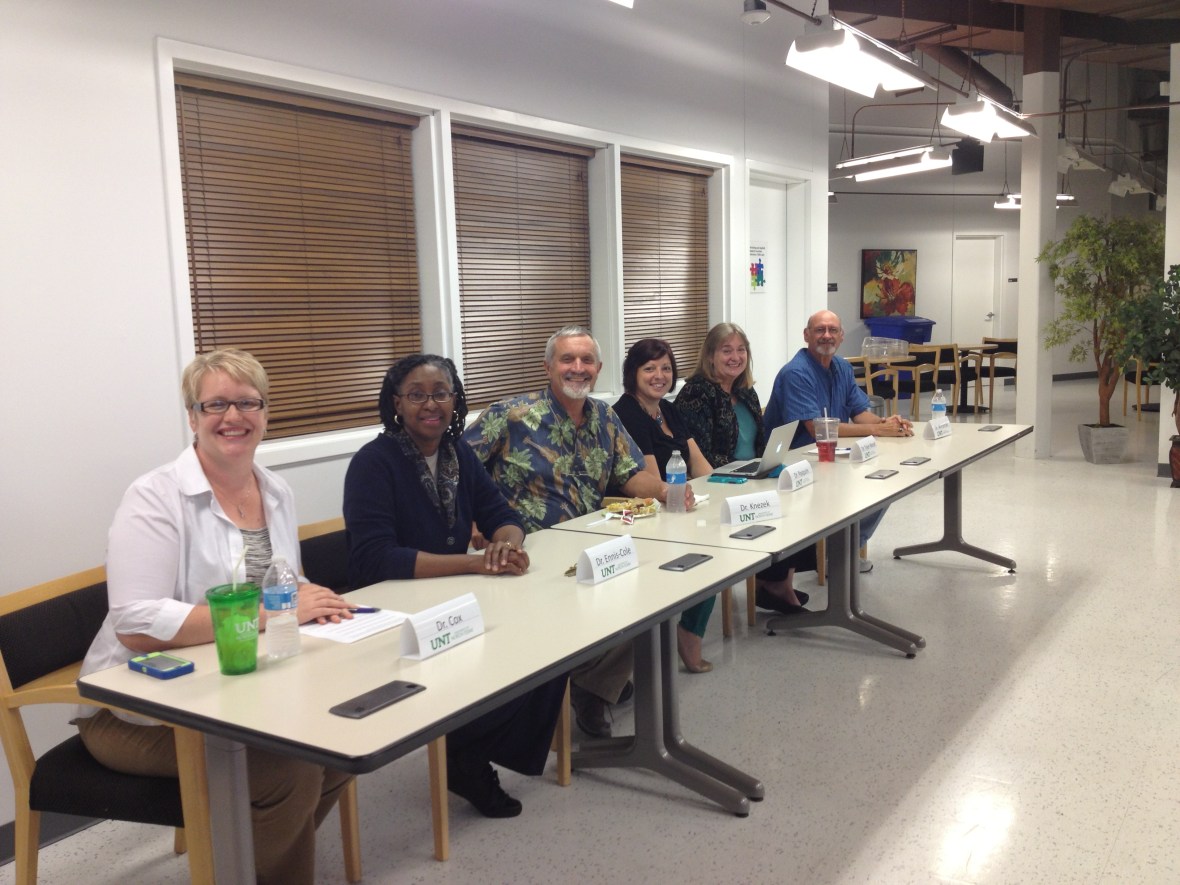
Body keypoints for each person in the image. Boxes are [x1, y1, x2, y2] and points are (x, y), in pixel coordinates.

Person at [75, 349, 355, 885]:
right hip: (134, 713)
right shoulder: (155, 497)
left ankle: (244, 866)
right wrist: (276, 613)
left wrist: (314, 599)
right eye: (216, 405)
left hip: (240, 687)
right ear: (192, 416)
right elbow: (136, 623)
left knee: (340, 748)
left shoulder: (274, 490)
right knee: (289, 771)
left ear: (265, 413)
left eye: (248, 403)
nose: (234, 417)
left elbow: (281, 583)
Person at [343, 354, 567, 818]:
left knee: (553, 647)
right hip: (394, 611)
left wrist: (505, 545)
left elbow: (503, 516)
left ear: (455, 400)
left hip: (455, 596)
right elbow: (375, 559)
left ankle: (465, 747)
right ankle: (464, 752)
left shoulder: (458, 453)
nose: (431, 404)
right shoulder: (374, 463)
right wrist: (471, 564)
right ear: (396, 403)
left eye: (441, 393)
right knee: (512, 653)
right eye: (417, 394)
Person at [464, 325, 690, 739]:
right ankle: (592, 683)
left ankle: (592, 684)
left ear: (599, 369)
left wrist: (666, 491)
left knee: (657, 590)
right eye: (567, 359)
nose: (577, 368)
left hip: (591, 543)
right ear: (548, 366)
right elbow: (460, 471)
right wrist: (476, 522)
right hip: (529, 554)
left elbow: (630, 474)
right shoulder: (509, 415)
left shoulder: (605, 416)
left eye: (586, 361)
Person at [676, 322, 815, 614]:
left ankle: (778, 581)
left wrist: (764, 466)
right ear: (710, 355)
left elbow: (761, 444)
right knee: (783, 510)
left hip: (750, 477)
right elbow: (699, 454)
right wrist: (747, 472)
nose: (735, 357)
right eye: (726, 350)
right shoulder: (697, 393)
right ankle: (771, 584)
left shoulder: (746, 392)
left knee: (805, 502)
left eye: (741, 350)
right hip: (717, 485)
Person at [763, 309, 914, 572]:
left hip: (834, 458)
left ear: (842, 336)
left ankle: (844, 550)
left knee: (886, 483)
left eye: (833, 330)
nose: (826, 336)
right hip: (796, 464)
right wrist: (877, 431)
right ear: (806, 335)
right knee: (861, 487)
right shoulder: (796, 373)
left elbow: (859, 412)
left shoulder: (842, 367)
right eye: (820, 330)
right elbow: (816, 430)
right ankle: (833, 554)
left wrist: (886, 424)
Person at [612, 338, 716, 673]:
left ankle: (690, 629)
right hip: (644, 516)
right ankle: (687, 633)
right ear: (633, 373)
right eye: (650, 368)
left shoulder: (666, 409)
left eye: (666, 368)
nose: (660, 375)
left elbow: (697, 461)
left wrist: (720, 493)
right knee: (711, 551)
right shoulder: (626, 413)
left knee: (722, 544)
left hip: (683, 504)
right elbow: (653, 481)